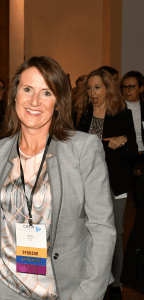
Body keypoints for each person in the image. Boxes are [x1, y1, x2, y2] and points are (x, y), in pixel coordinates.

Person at [0, 56, 116, 300]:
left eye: (46, 92)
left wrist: (88, 294)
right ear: (14, 96)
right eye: (27, 89)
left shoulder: (83, 148)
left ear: (58, 102)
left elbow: (102, 228)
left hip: (64, 288)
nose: (34, 101)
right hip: (5, 286)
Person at [74, 68, 137, 300]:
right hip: (88, 183)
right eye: (89, 88)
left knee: (115, 234)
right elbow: (79, 148)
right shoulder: (83, 114)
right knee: (88, 231)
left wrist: (119, 143)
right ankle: (92, 277)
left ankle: (116, 284)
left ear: (108, 89)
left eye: (97, 87)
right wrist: (107, 142)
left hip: (115, 183)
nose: (92, 92)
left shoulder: (122, 114)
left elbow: (131, 153)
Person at [119, 71, 144, 294]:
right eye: (125, 87)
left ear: (141, 88)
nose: (127, 90)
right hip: (130, 159)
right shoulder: (119, 110)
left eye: (132, 86)